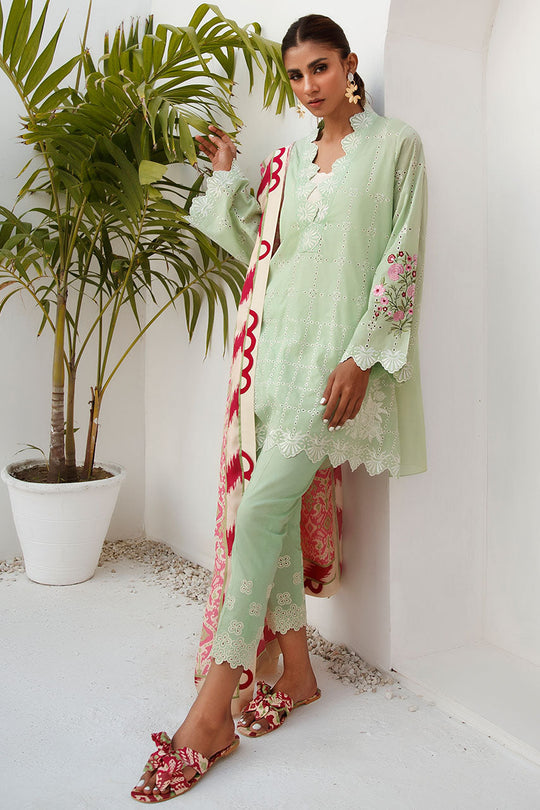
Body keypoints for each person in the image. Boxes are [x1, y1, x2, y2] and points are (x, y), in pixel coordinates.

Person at [131, 13, 427, 803]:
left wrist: (362, 355)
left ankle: (210, 714)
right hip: (271, 361)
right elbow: (258, 249)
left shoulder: (396, 148)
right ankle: (297, 675)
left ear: (350, 64)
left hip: (332, 367)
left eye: (320, 68)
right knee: (278, 514)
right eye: (296, 75)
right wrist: (227, 173)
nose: (308, 87)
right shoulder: (290, 162)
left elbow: (401, 255)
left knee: (261, 509)